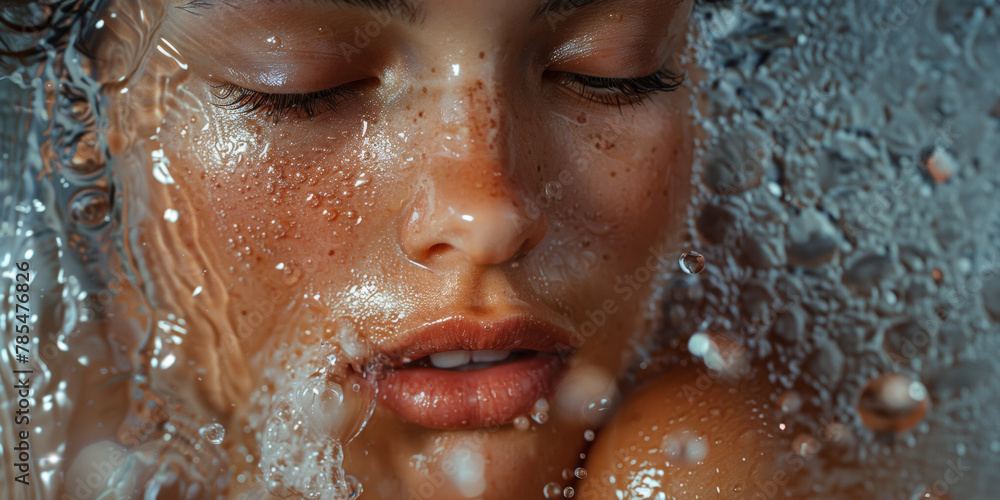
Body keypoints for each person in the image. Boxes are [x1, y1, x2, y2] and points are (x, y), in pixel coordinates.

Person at [55, 0, 784, 498]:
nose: (488, 215)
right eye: (305, 83)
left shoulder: (710, 456)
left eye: (608, 72)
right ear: (92, 124)